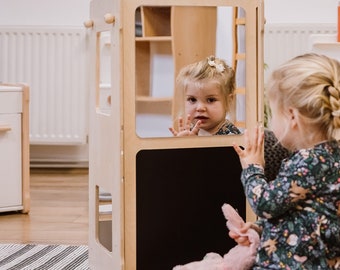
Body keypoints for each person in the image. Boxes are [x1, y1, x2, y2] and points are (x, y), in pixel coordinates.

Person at [232, 53, 340, 269]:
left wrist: (253, 168)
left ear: (292, 117)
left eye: (273, 113)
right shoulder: (329, 156)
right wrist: (259, 229)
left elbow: (265, 203)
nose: (271, 122)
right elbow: (302, 214)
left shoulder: (308, 162)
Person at [169, 55, 241, 137]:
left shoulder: (231, 136)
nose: (200, 108)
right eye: (192, 99)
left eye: (210, 100)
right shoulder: (190, 132)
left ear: (228, 101)